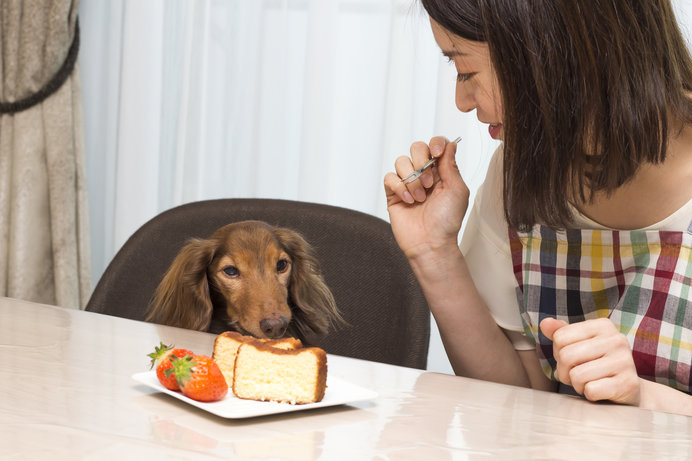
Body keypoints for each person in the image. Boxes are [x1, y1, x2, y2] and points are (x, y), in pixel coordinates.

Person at [384, 0, 692, 415]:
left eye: (466, 71)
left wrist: (646, 397)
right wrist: (433, 252)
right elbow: (519, 400)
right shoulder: (516, 174)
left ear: (549, 53)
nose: (461, 100)